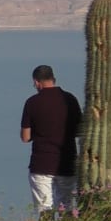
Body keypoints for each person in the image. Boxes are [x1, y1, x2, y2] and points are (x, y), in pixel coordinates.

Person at [20, 64, 82, 210]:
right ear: (53, 79)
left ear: (36, 82)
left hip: (42, 163)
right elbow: (80, 130)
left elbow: (25, 137)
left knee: (44, 208)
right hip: (67, 163)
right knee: (65, 207)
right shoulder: (70, 99)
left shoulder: (32, 102)